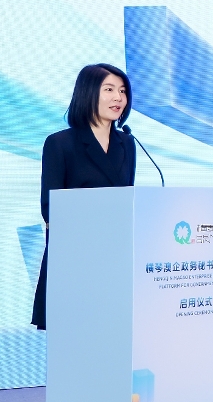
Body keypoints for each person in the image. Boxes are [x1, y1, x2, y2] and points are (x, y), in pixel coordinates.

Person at [31, 64, 136, 330]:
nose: (118, 98)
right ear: (88, 93)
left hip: (117, 258)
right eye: (109, 90)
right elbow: (50, 207)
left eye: (122, 91)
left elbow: (128, 198)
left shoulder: (126, 142)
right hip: (75, 260)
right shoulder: (60, 143)